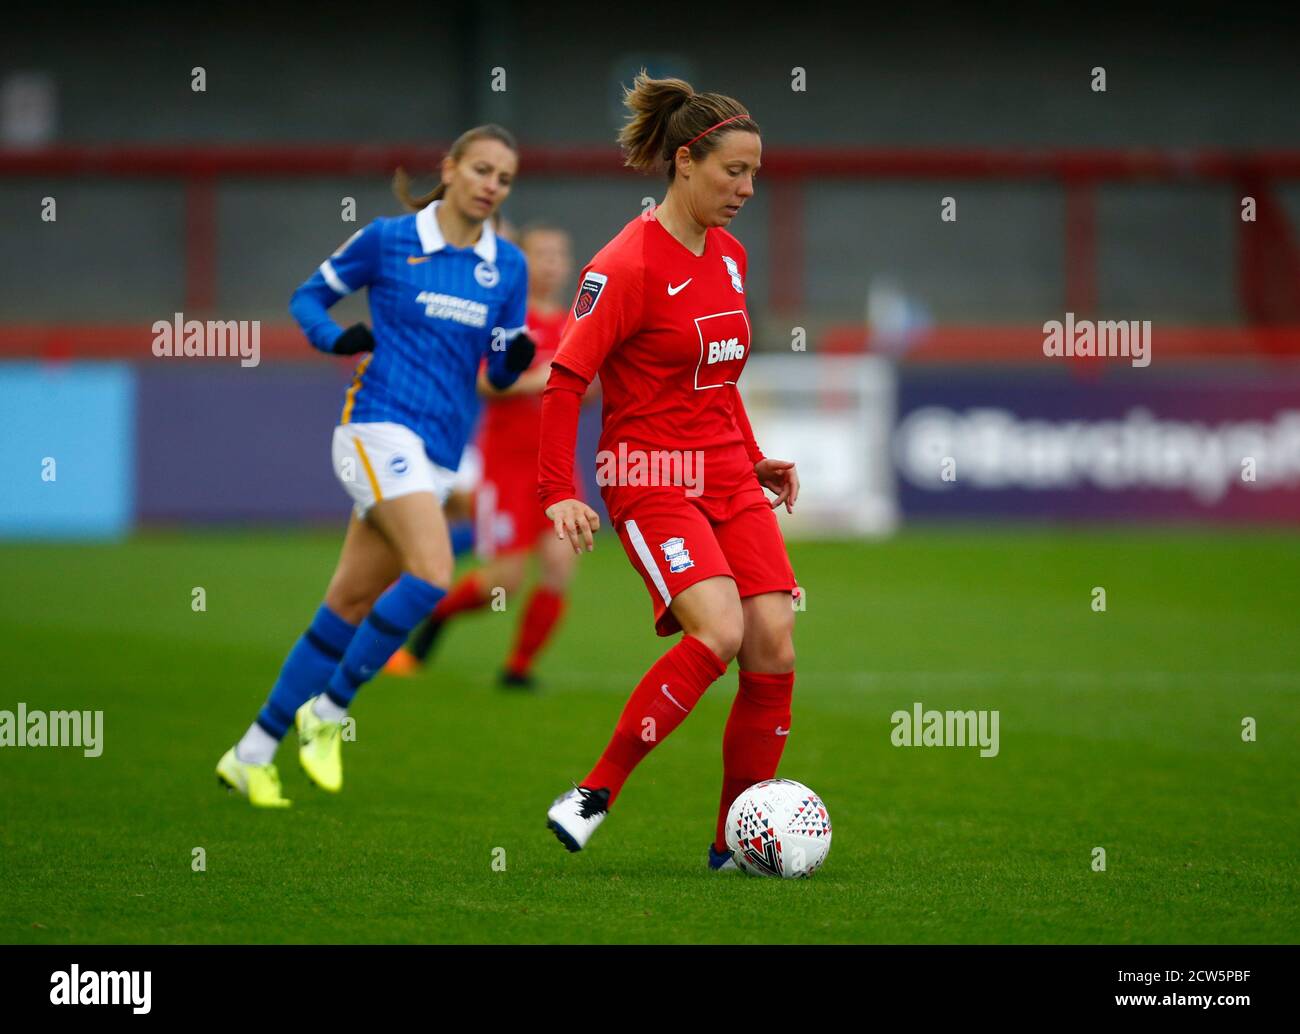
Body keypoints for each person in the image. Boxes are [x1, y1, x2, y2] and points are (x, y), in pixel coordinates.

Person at [215, 124, 534, 807]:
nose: (489, 185)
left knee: (349, 602)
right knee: (435, 570)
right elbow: (308, 297)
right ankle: (327, 713)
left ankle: (253, 751)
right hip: (376, 428)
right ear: (448, 169)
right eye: (480, 169)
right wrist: (335, 336)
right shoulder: (388, 240)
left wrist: (515, 357)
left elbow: (501, 372)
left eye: (503, 178)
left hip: (440, 453)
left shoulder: (506, 266)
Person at [537, 73, 800, 870]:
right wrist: (559, 493)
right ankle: (593, 792)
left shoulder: (730, 257)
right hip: (650, 474)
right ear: (687, 162)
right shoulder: (624, 266)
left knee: (774, 643)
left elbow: (717, 377)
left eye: (755, 174)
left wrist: (751, 457)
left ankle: (732, 844)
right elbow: (564, 380)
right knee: (719, 630)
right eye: (735, 172)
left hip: (724, 469)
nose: (748, 189)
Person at [386, 224, 590, 687]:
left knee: (559, 567)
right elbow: (480, 382)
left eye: (560, 254)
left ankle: (518, 670)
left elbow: (588, 390)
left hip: (557, 467)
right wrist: (537, 380)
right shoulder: (505, 319)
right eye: (543, 254)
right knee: (504, 582)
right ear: (521, 261)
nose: (553, 264)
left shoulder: (574, 325)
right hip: (507, 468)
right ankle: (431, 621)